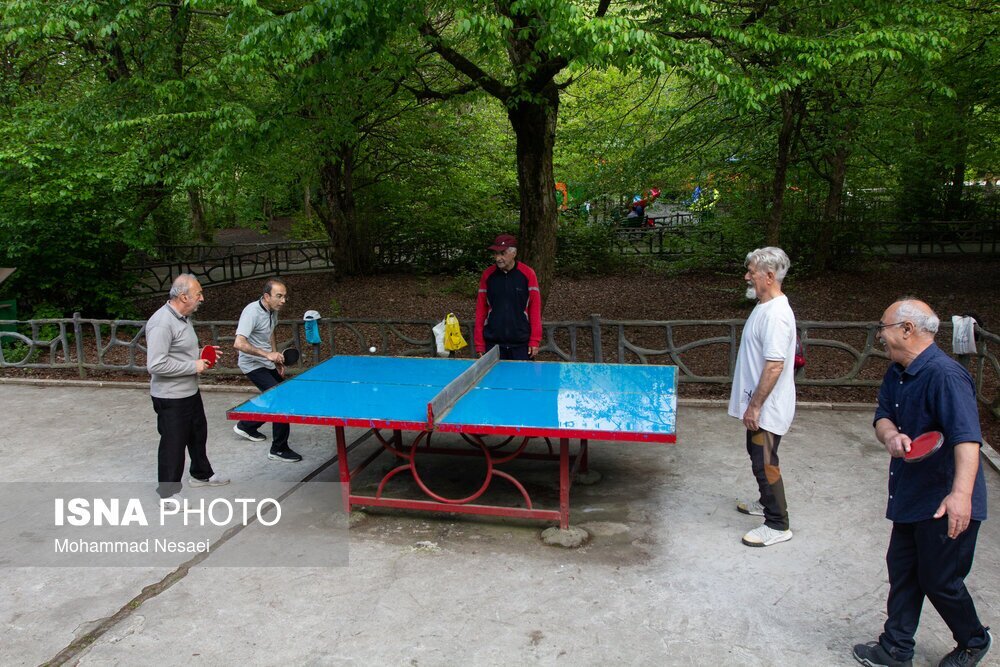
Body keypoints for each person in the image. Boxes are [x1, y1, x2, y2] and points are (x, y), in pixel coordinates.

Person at [852, 299, 991, 667]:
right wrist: (891, 436)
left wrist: (960, 495)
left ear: (907, 329)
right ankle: (895, 648)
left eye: (883, 326)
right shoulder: (897, 370)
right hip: (911, 495)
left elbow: (967, 439)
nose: (879, 334)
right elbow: (882, 416)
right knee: (903, 572)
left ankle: (974, 639)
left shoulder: (946, 376)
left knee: (939, 581)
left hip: (944, 500)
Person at [728, 247, 797, 547]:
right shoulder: (764, 306)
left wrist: (755, 407)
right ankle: (764, 502)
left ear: (769, 276)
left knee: (764, 461)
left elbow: (774, 366)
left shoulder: (777, 315)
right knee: (755, 453)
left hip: (768, 408)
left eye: (751, 271)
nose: (747, 275)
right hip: (759, 406)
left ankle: (778, 523)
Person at [145, 274, 229, 498]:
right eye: (198, 294)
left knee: (197, 434)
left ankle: (201, 474)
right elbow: (156, 364)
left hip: (189, 391)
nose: (202, 298)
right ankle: (168, 494)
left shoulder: (183, 318)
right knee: (174, 444)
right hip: (170, 396)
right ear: (183, 296)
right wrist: (194, 365)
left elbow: (178, 353)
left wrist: (201, 355)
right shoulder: (162, 323)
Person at [232, 278, 302, 462]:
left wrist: (274, 356)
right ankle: (278, 449)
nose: (283, 300)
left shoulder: (272, 311)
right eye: (279, 296)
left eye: (285, 296)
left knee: (279, 394)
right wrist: (266, 355)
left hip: (265, 362)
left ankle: (246, 426)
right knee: (280, 399)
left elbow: (270, 332)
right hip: (252, 364)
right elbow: (239, 343)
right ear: (266, 296)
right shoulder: (251, 312)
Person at [473, 234, 542, 361]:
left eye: (502, 253)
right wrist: (479, 343)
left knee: (521, 381)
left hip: (521, 344)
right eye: (496, 254)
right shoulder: (488, 275)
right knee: (493, 381)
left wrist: (534, 340)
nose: (498, 258)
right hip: (493, 345)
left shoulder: (528, 274)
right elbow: (481, 311)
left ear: (513, 253)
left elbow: (535, 310)